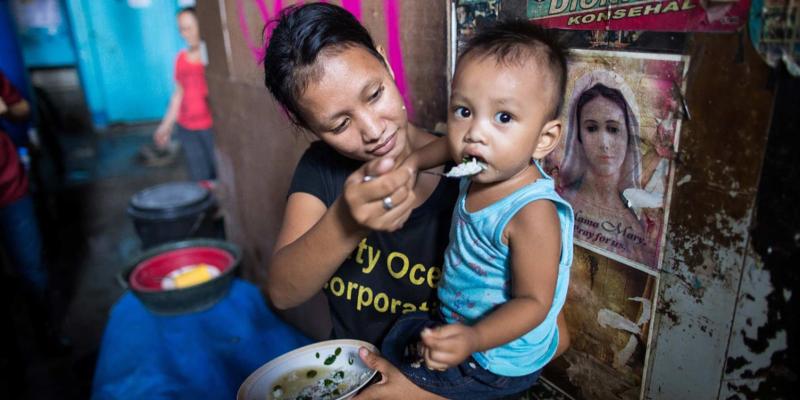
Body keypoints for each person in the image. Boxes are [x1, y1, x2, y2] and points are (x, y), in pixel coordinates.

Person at [262, 4, 568, 399]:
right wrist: (348, 220)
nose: (373, 130)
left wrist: (426, 394)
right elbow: (284, 292)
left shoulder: (484, 174)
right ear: (310, 129)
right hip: (355, 379)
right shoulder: (321, 170)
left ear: (386, 64)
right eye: (340, 124)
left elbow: (553, 333)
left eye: (374, 94)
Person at [377, 21, 574, 399]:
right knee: (399, 333)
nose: (474, 133)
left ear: (544, 138)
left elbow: (533, 302)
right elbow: (446, 148)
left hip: (496, 356)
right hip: (460, 322)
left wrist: (473, 338)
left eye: (503, 117)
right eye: (464, 110)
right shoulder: (485, 161)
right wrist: (410, 164)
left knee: (398, 373)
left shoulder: (531, 213)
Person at [557, 70, 655, 266]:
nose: (604, 143)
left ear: (629, 135)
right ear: (578, 135)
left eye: (613, 129)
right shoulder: (558, 202)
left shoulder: (636, 229)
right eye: (592, 128)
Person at [0, 69, 64, 351]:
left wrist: (9, 108)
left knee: (32, 267)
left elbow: (23, 109)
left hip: (10, 187)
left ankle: (47, 334)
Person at [153, 6, 217, 182]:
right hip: (187, 128)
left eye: (189, 28)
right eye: (181, 29)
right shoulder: (180, 59)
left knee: (218, 174)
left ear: (201, 26)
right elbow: (178, 94)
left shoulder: (210, 57)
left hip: (210, 128)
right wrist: (165, 126)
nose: (185, 34)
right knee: (199, 177)